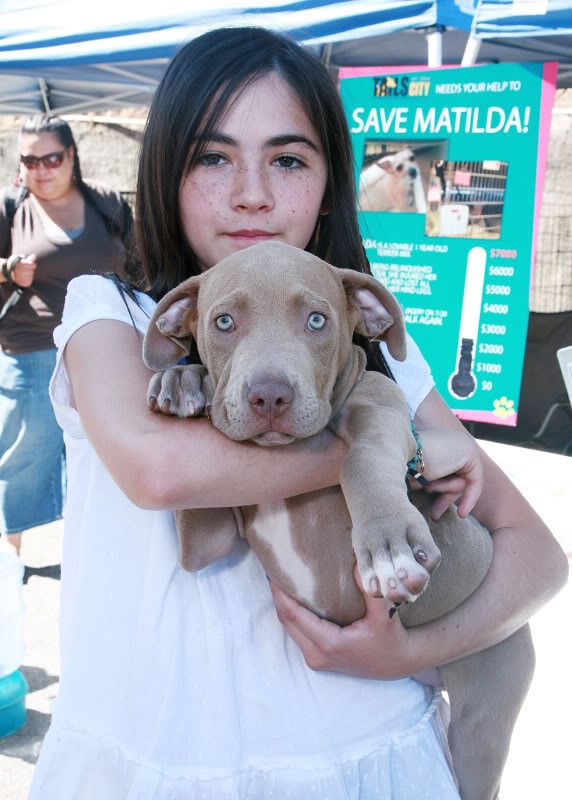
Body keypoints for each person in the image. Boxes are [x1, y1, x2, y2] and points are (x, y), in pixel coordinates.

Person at [29, 28, 567, 800]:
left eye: (287, 159)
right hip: (155, 755)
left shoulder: (374, 347)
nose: (252, 192)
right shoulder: (110, 314)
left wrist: (409, 654)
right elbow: (159, 471)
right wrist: (385, 436)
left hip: (363, 746)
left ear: (328, 185)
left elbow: (541, 561)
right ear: (164, 171)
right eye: (213, 158)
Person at [0, 114, 134, 557]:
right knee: (26, 460)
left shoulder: (108, 202)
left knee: (106, 456)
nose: (41, 169)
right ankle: (13, 559)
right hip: (34, 351)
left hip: (107, 350)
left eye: (51, 158)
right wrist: (7, 271)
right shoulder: (9, 209)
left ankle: (96, 551)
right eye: (30, 160)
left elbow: (142, 265)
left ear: (72, 156)